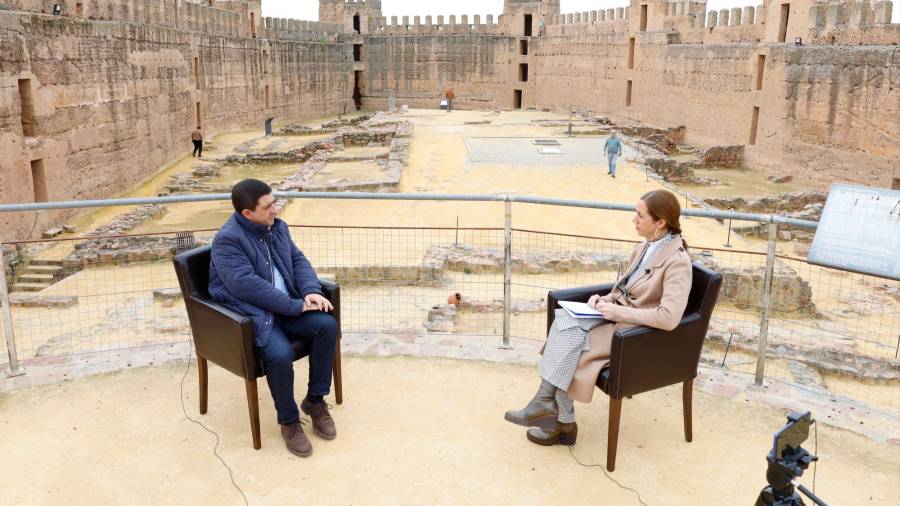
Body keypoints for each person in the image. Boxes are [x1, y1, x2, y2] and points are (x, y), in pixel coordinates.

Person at [505, 189, 692, 446]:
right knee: (563, 321)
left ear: (661, 222)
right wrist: (605, 300)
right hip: (615, 317)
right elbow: (626, 289)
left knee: (569, 342)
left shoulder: (678, 262)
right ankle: (552, 410)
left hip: (634, 335)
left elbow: (669, 318)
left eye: (640, 215)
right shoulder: (644, 248)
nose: (634, 220)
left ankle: (560, 421)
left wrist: (618, 311)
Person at [208, 179, 338, 458]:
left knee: (326, 326)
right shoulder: (228, 240)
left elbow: (298, 260)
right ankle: (289, 422)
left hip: (288, 305)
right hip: (255, 313)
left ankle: (315, 402)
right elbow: (245, 286)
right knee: (279, 355)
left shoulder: (277, 227)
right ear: (247, 214)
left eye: (274, 202)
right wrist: (295, 306)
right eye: (268, 207)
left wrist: (310, 291)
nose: (275, 210)